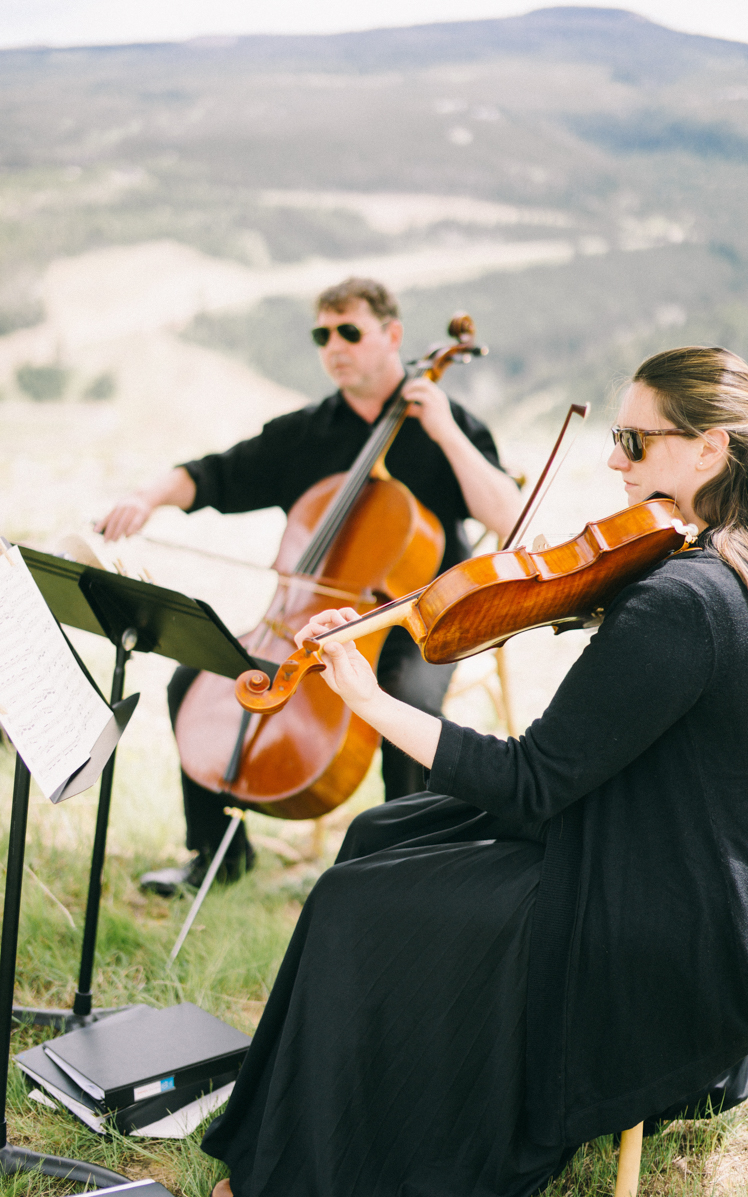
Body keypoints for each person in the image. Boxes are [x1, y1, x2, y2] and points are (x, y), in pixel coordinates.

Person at [201, 346, 748, 1197]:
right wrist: (392, 620)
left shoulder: (683, 600)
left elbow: (530, 780)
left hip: (675, 916)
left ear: (709, 452)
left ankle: (321, 1157)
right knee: (383, 830)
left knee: (354, 901)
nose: (613, 459)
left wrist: (368, 699)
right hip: (717, 868)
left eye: (634, 440)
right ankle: (313, 1111)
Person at [95, 277, 521, 894]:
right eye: (323, 334)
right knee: (198, 679)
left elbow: (508, 518)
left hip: (420, 621)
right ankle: (217, 854)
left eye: (350, 331)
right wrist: (147, 497)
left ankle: (403, 872)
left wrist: (448, 432)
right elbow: (214, 474)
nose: (335, 346)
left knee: (402, 700)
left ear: (392, 335)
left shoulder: (447, 424)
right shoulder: (308, 431)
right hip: (309, 616)